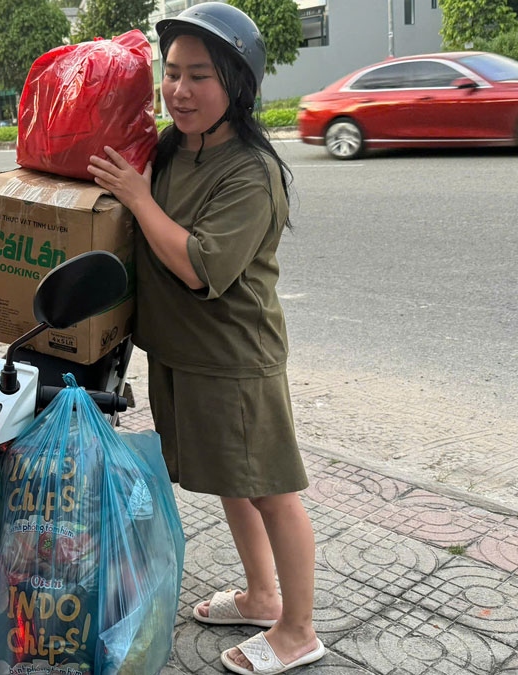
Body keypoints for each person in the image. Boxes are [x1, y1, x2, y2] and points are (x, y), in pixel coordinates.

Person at [86, 3, 323, 674]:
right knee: (232, 483)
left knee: (272, 489)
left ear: (237, 85)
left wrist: (137, 196)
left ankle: (299, 629)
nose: (181, 91)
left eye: (200, 76)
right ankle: (262, 595)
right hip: (179, 355)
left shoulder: (251, 172)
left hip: (233, 361)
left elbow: (196, 264)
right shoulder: (173, 147)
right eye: (172, 74)